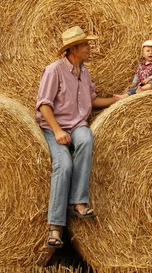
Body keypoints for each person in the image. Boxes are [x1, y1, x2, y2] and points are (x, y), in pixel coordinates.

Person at [36, 26, 119, 248]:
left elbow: (91, 101)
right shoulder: (54, 70)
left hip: (77, 125)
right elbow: (44, 105)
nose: (89, 49)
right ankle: (55, 226)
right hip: (55, 126)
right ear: (73, 49)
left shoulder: (84, 72)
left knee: (86, 138)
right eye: (85, 45)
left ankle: (79, 202)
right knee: (63, 165)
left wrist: (116, 100)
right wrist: (57, 131)